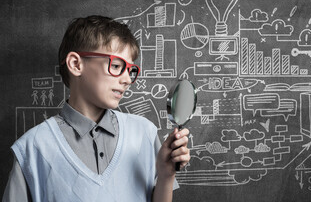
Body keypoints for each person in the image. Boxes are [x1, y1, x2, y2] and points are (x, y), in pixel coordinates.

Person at [2, 15, 191, 202]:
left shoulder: (144, 132)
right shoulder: (33, 148)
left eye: (130, 70)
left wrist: (166, 175)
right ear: (76, 64)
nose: (126, 80)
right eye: (116, 65)